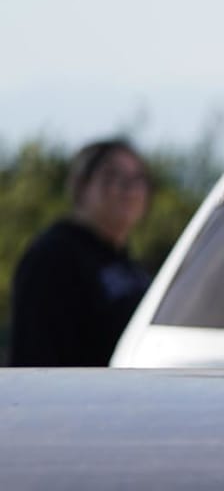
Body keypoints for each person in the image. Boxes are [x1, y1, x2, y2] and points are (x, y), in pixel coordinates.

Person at [8, 139, 154, 367]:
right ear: (80, 185)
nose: (129, 190)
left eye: (137, 179)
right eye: (113, 177)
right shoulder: (53, 257)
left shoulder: (130, 266)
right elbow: (34, 355)